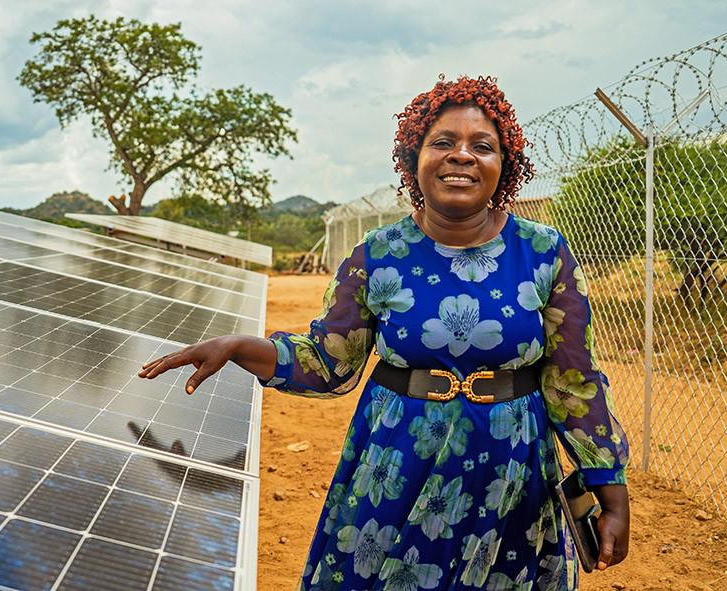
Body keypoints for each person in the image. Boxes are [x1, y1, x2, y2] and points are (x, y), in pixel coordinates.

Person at [138, 75, 629, 590]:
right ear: (413, 157)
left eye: (481, 146)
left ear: (504, 164)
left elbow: (572, 378)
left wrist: (608, 484)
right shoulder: (377, 255)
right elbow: (329, 361)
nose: (462, 155)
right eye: (443, 142)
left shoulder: (543, 252)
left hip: (509, 474)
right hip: (394, 466)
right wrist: (239, 345)